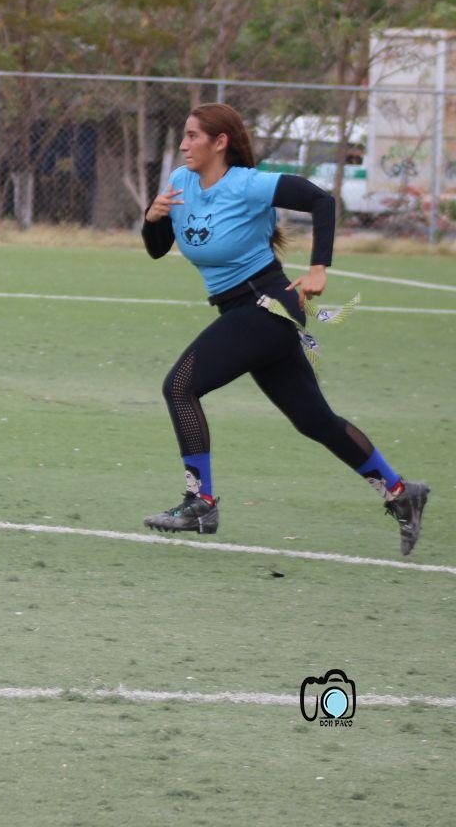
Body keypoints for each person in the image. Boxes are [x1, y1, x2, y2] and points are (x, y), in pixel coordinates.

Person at [139, 103, 430, 554]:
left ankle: (201, 503)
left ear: (221, 143)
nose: (183, 144)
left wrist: (319, 269)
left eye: (194, 136)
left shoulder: (249, 184)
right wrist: (152, 219)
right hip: (246, 312)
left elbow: (322, 200)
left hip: (266, 306)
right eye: (184, 135)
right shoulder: (180, 183)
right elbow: (159, 251)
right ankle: (399, 492)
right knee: (314, 420)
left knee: (179, 387)